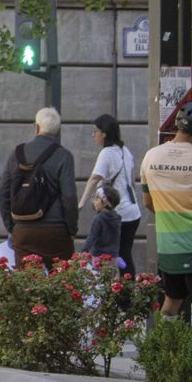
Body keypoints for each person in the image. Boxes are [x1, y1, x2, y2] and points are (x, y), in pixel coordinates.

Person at [140, 102, 192, 322]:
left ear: (176, 124)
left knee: (171, 302)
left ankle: (166, 348)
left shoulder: (150, 157)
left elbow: (147, 202)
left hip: (168, 246)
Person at [0, 107, 78, 270]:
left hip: (23, 231)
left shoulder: (17, 154)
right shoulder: (64, 156)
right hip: (56, 231)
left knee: (27, 284)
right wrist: (71, 229)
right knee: (63, 283)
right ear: (56, 131)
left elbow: (1, 195)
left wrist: (12, 227)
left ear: (37, 127)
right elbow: (69, 197)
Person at [78, 115, 142, 276]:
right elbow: (132, 181)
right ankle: (128, 294)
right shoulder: (124, 150)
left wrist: (82, 201)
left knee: (108, 254)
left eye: (95, 131)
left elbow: (94, 178)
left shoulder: (106, 153)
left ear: (104, 133)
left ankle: (118, 296)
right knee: (125, 254)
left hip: (118, 212)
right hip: (133, 212)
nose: (94, 135)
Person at [83, 185, 123, 264]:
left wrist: (84, 251)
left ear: (105, 203)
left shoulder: (99, 218)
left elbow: (92, 236)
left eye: (97, 198)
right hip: (113, 256)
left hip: (98, 256)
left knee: (98, 275)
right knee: (111, 275)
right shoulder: (117, 218)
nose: (94, 201)